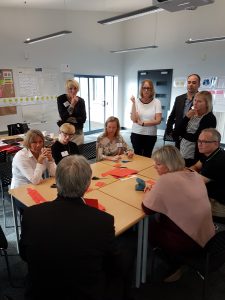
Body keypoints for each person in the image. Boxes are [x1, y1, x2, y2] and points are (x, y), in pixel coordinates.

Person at [19, 155, 123, 300]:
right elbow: (112, 263)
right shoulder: (103, 221)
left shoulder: (31, 214)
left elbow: (24, 255)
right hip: (84, 293)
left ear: (56, 181)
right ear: (87, 186)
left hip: (40, 291)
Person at [142, 145, 215, 281]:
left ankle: (174, 263)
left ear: (169, 165)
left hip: (188, 239)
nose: (155, 167)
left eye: (158, 164)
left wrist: (148, 193)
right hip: (207, 234)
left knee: (149, 227)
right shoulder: (193, 174)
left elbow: (147, 209)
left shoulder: (166, 180)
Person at [190, 128, 225, 218]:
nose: (200, 144)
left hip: (218, 203)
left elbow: (194, 183)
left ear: (216, 143)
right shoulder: (209, 152)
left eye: (205, 142)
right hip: (209, 192)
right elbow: (196, 167)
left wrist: (186, 174)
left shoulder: (217, 161)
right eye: (199, 141)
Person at [177, 90, 217, 167]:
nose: (195, 103)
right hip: (183, 150)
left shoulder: (210, 118)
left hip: (197, 154)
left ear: (207, 104)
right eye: (195, 100)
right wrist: (186, 118)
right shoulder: (191, 113)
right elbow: (178, 132)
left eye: (199, 101)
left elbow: (198, 138)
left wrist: (184, 135)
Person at [165, 74, 201, 149]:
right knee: (178, 158)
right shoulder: (179, 98)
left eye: (194, 83)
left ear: (199, 84)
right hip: (179, 134)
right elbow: (172, 116)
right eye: (189, 82)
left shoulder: (202, 100)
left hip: (193, 137)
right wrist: (170, 131)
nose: (191, 85)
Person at [130, 79, 162, 157]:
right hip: (136, 133)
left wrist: (144, 123)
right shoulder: (136, 102)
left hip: (150, 135)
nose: (146, 90)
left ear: (152, 89)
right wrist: (134, 103)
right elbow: (134, 119)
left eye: (149, 88)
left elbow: (158, 120)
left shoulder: (157, 102)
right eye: (144, 88)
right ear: (141, 89)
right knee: (137, 156)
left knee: (147, 156)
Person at [57, 79, 86, 145]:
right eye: (70, 88)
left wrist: (69, 118)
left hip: (77, 132)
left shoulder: (81, 101)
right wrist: (72, 105)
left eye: (75, 88)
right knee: (65, 153)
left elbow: (83, 119)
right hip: (65, 132)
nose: (73, 91)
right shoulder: (61, 99)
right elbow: (63, 117)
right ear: (67, 89)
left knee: (77, 153)